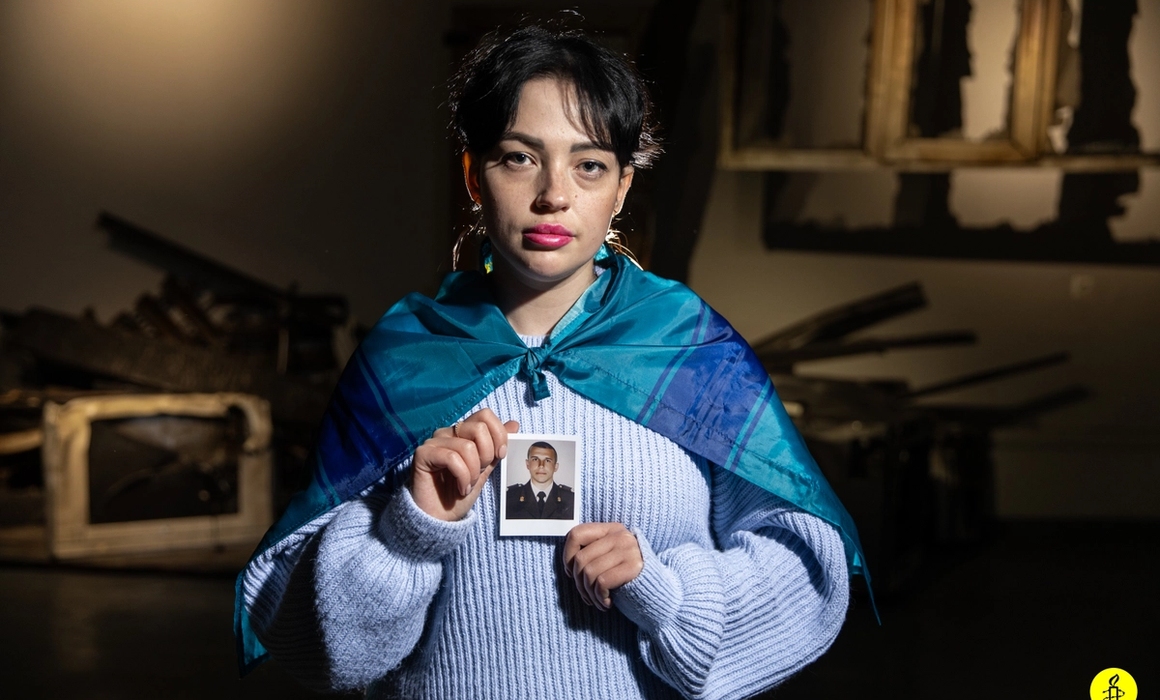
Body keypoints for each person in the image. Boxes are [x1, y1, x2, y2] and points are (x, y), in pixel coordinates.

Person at [235, 23, 870, 700]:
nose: (553, 194)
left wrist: (666, 590)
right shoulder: (407, 359)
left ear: (623, 187)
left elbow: (804, 567)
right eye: (519, 157)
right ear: (473, 175)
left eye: (589, 164)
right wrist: (410, 528)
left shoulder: (688, 351)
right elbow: (312, 643)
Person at [506, 441, 574, 519]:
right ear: (527, 464)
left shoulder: (570, 499)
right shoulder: (510, 497)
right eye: (535, 459)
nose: (541, 465)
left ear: (556, 467)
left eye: (548, 460)